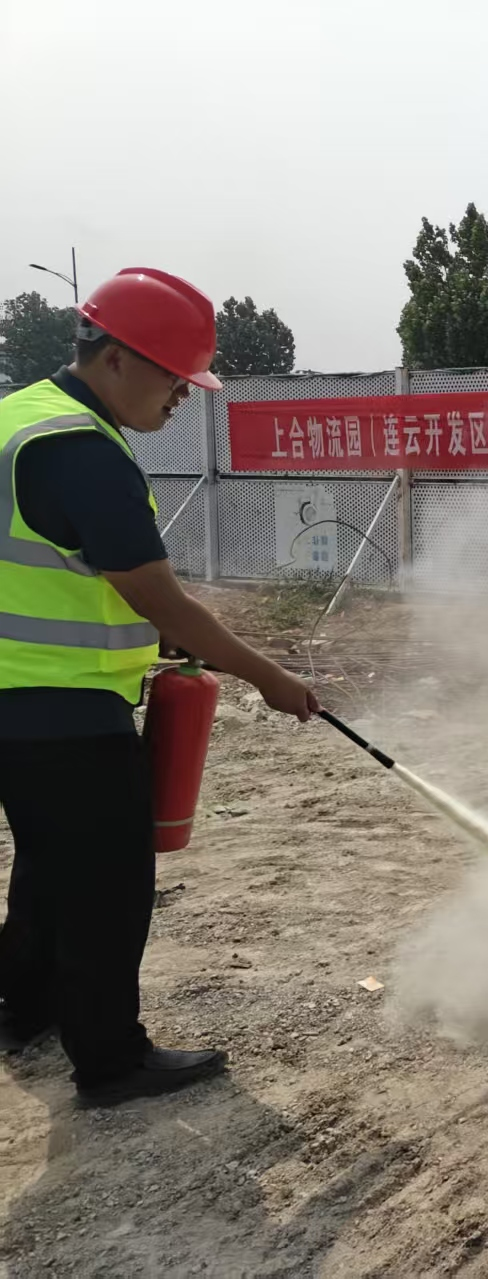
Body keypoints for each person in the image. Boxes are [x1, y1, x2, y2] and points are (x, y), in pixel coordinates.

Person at [0, 268, 321, 1108]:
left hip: (18, 700)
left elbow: (54, 568)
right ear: (113, 357)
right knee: (108, 882)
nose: (182, 396)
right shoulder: (82, 450)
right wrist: (270, 677)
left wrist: (157, 631)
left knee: (49, 862)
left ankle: (22, 1008)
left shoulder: (19, 418)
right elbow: (159, 596)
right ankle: (111, 1061)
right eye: (174, 377)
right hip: (62, 704)